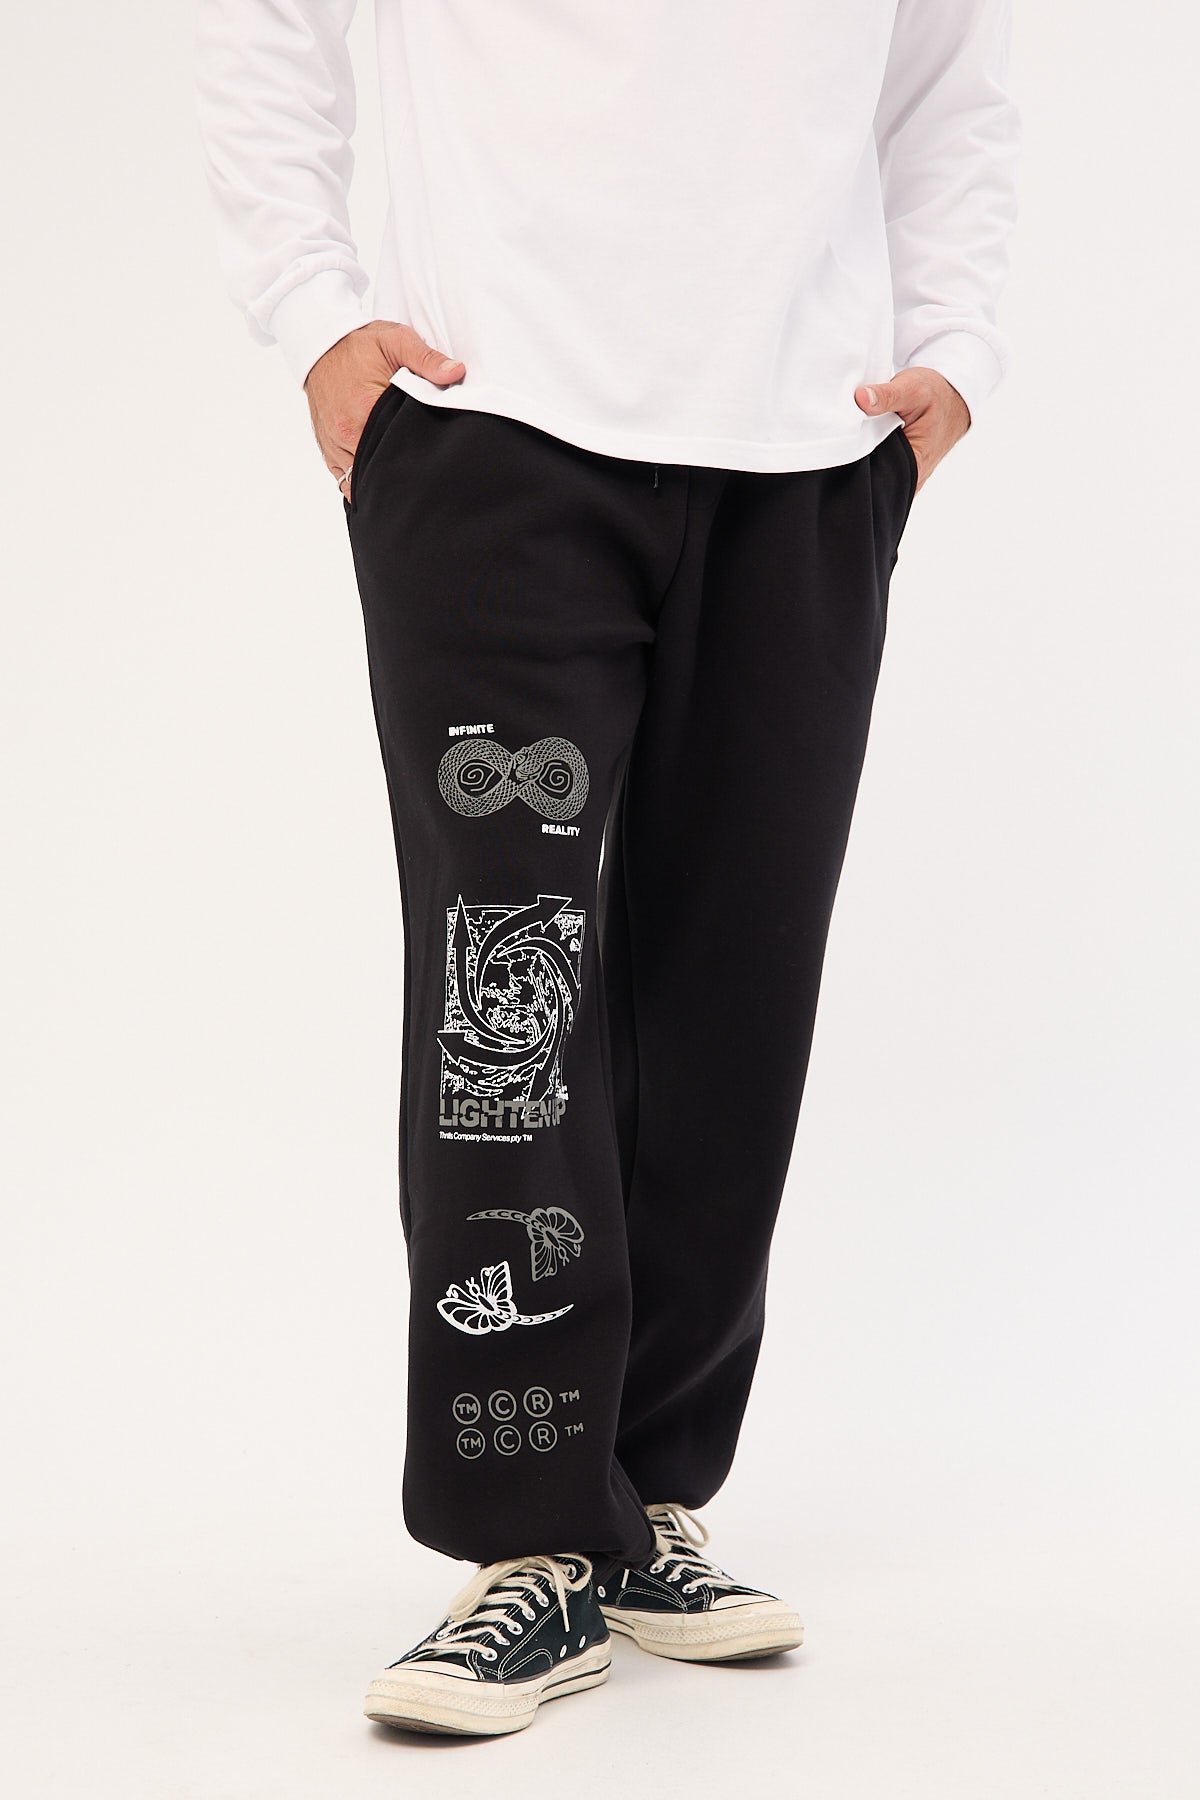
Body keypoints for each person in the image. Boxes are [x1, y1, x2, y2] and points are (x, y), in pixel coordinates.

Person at [196, 0, 1018, 1738]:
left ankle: (645, 1503)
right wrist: (316, 312)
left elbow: (950, 69)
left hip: (808, 455)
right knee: (510, 1000)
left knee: (736, 993)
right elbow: (271, 27)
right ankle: (527, 1539)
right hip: (492, 428)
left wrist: (954, 349)